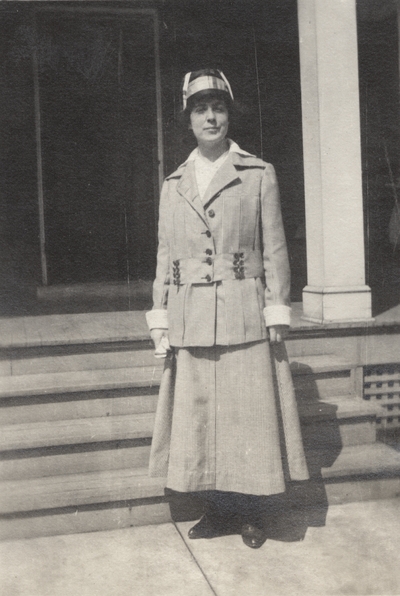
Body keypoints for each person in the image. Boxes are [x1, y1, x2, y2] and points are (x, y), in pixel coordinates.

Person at [146, 68, 309, 549]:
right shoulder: (173, 183)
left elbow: (275, 249)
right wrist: (160, 316)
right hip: (191, 317)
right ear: (189, 120)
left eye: (218, 108)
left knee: (247, 420)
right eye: (201, 110)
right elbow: (164, 256)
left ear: (228, 115)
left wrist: (277, 308)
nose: (211, 117)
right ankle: (215, 510)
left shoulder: (258, 173)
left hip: (244, 316)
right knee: (203, 420)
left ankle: (253, 514)